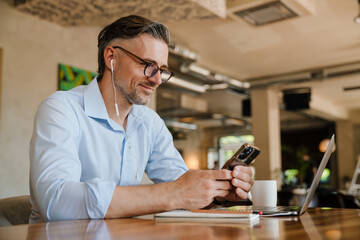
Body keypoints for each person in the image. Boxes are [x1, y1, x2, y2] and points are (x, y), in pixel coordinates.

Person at [29, 15, 253, 223]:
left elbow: (183, 186)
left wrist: (218, 194)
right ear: (111, 58)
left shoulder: (150, 122)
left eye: (162, 70)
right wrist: (174, 193)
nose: (156, 80)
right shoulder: (61, 109)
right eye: (147, 65)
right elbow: (56, 201)